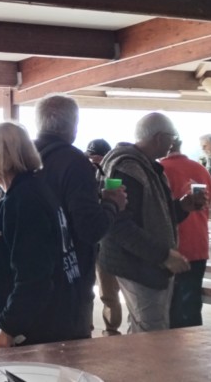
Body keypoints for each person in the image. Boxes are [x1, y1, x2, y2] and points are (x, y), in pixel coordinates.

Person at [0, 122, 82, 349]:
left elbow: (34, 276)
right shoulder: (32, 191)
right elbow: (7, 263)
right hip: (48, 317)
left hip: (34, 329)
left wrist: (9, 328)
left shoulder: (24, 201)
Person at [100, 113, 205, 333]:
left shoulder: (145, 166)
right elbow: (119, 226)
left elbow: (152, 216)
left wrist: (181, 207)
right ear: (159, 138)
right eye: (171, 137)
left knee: (145, 327)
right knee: (152, 332)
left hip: (142, 261)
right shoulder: (129, 168)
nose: (172, 143)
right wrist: (164, 255)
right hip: (137, 265)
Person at [33, 95, 126, 339]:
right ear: (72, 125)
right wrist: (111, 204)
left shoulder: (20, 157)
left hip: (26, 276)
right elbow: (90, 228)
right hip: (67, 280)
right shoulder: (74, 162)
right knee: (70, 357)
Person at [161, 138, 211, 328]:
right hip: (198, 246)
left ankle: (168, 346)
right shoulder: (201, 170)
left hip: (169, 249)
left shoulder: (158, 170)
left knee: (167, 308)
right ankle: (194, 344)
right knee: (191, 306)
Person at [85, 138, 122, 335]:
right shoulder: (80, 176)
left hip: (105, 243)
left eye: (99, 158)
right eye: (91, 158)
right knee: (84, 291)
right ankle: (85, 327)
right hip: (86, 242)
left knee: (109, 292)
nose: (95, 162)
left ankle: (111, 330)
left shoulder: (113, 176)